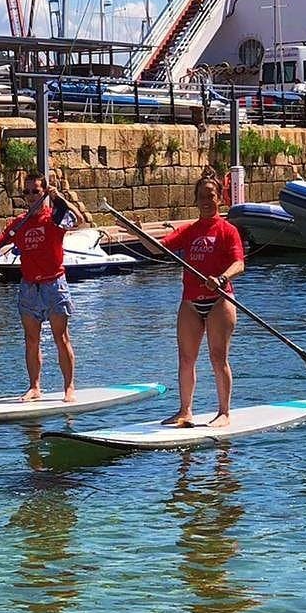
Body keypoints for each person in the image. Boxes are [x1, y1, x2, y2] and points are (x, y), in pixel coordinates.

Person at [120, 173, 246, 428]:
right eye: (202, 197)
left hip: (219, 300)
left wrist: (221, 279)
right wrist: (138, 232)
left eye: (210, 196)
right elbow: (159, 248)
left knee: (217, 357)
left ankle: (224, 413)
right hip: (190, 302)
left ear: (220, 198)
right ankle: (185, 411)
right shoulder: (190, 231)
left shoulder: (227, 230)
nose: (206, 201)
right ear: (196, 201)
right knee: (186, 359)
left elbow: (239, 264)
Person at [0, 172, 93, 403]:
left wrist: (59, 197)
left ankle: (69, 387)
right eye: (27, 192)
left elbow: (79, 220)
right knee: (31, 339)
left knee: (61, 337)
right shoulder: (18, 224)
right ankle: (34, 387)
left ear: (44, 192)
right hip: (29, 287)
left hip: (54, 284)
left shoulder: (55, 217)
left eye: (35, 191)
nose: (30, 196)